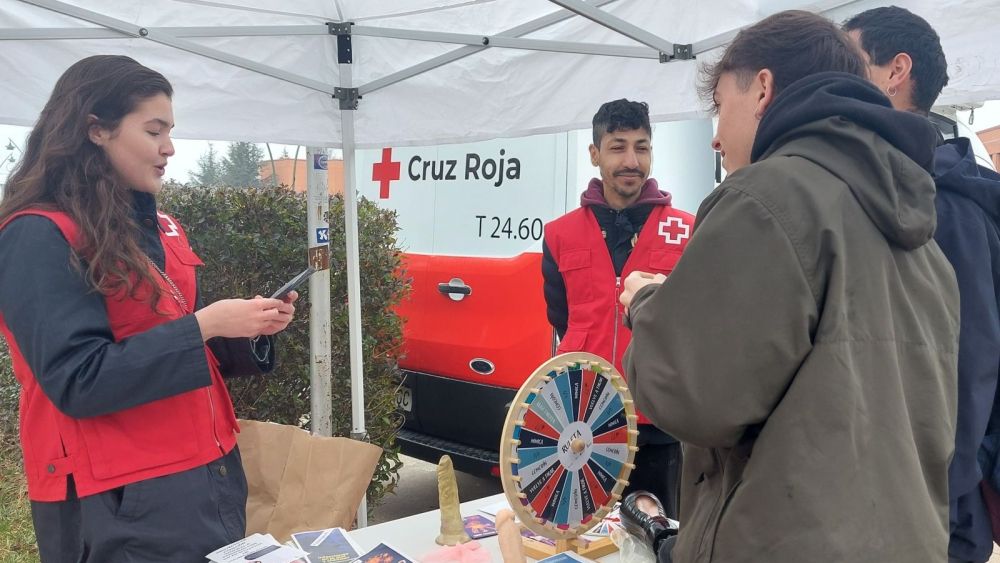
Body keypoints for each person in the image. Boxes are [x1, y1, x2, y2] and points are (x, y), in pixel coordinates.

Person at [619, 10, 959, 562]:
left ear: (762, 89)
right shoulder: (923, 236)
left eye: (720, 106)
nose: (715, 138)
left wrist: (645, 304)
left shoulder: (767, 197)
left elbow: (690, 395)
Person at [0, 55, 298, 562]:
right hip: (119, 494)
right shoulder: (39, 234)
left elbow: (175, 345)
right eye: (154, 130)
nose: (169, 147)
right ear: (96, 129)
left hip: (204, 470)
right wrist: (203, 325)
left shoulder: (153, 226)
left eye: (170, 132)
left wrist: (243, 329)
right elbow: (78, 380)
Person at [844, 8, 1000, 563]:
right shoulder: (888, 191)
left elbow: (970, 365)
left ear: (896, 72)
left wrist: (942, 494)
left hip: (935, 516)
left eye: (849, 63)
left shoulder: (947, 206)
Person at [541, 98, 695, 517]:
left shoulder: (686, 230)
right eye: (618, 147)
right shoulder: (559, 235)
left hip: (657, 423)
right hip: (580, 422)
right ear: (595, 154)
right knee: (581, 531)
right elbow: (561, 317)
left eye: (641, 147)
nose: (631, 161)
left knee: (654, 533)